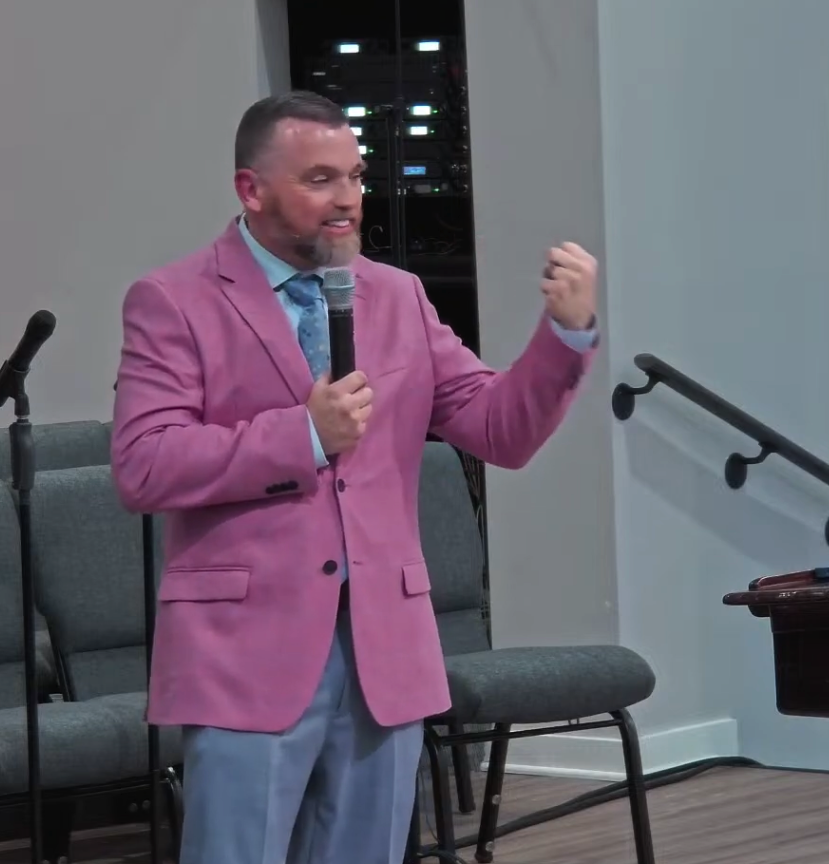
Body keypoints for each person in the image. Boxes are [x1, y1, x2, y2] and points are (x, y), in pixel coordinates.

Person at [110, 90, 599, 864]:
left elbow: (497, 430)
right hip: (247, 653)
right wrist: (303, 435)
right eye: (320, 180)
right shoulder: (174, 300)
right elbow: (144, 463)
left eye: (355, 176)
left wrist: (565, 338)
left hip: (382, 650)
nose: (347, 199)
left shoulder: (397, 295)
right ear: (251, 189)